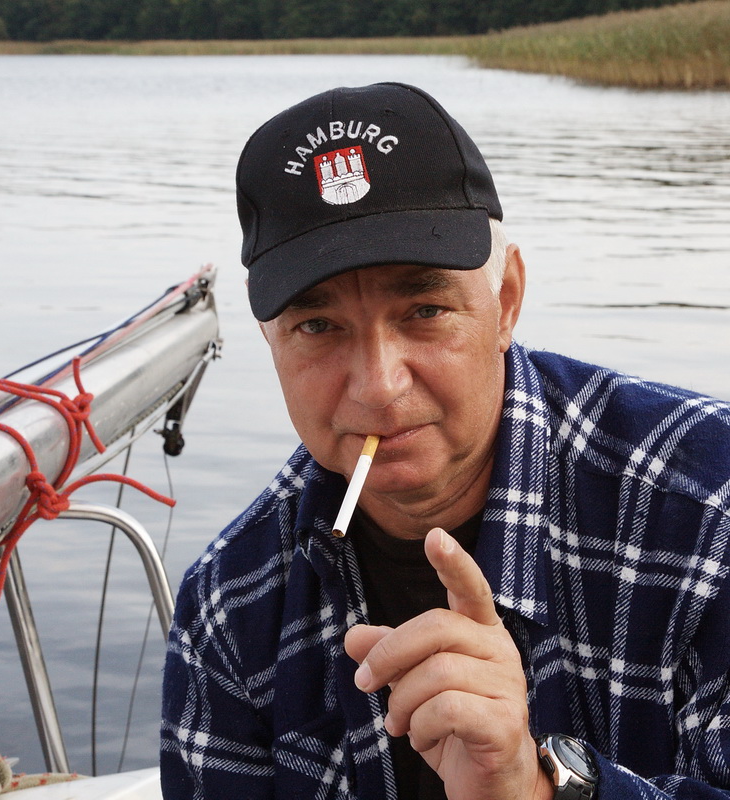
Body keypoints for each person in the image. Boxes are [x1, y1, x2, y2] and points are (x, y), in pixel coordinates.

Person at [160, 82, 730, 800]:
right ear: (272, 342)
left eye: (425, 310)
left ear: (506, 302)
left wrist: (532, 789)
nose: (378, 386)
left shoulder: (707, 514)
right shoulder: (230, 602)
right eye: (318, 326)